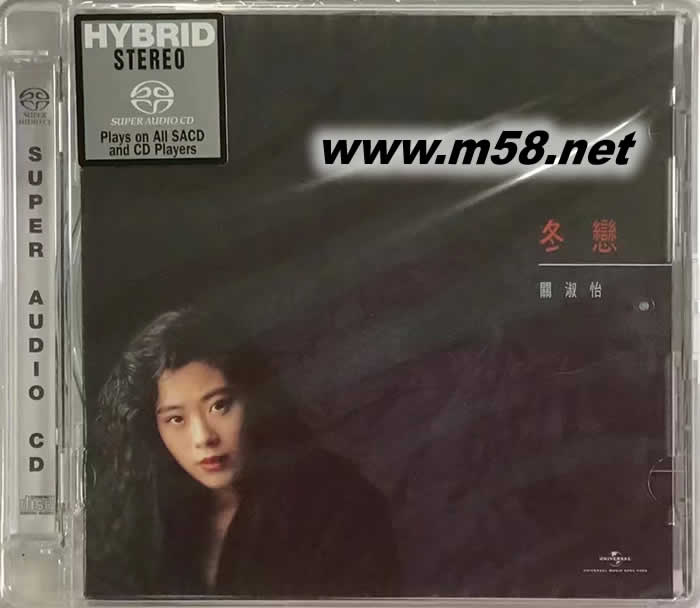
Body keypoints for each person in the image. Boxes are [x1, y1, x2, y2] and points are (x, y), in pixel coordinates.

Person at [86, 308, 399, 597]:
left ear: (255, 399)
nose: (203, 437)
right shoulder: (139, 512)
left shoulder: (338, 505)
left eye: (219, 406)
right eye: (176, 419)